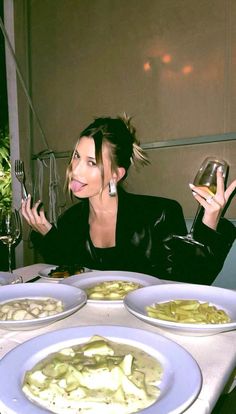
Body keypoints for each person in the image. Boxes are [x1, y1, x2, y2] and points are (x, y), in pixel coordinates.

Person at [21, 115, 236, 285]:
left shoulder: (158, 215)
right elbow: (69, 275)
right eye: (76, 156)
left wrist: (210, 222)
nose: (74, 170)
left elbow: (187, 282)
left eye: (91, 162)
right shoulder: (71, 220)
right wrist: (47, 234)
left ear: (117, 174)